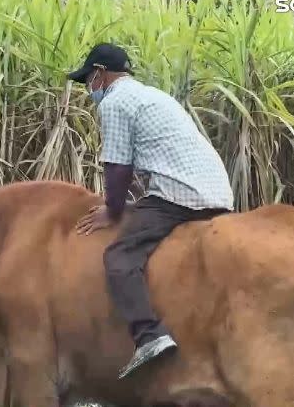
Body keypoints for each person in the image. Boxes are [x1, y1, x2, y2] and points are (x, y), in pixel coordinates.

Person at [68, 43, 235, 379]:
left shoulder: (114, 101)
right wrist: (135, 204)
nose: (89, 87)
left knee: (119, 258)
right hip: (217, 191)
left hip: (181, 194)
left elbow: (117, 167)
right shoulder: (150, 96)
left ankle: (149, 335)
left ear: (100, 74)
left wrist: (112, 211)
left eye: (88, 79)